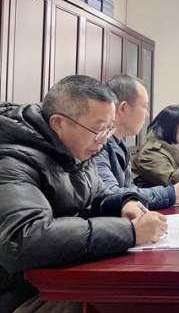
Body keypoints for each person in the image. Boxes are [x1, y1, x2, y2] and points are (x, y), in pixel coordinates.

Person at [0, 75, 167, 313]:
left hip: (60, 275)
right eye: (98, 130)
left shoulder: (77, 148)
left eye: (109, 129)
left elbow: (98, 195)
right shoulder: (12, 160)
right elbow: (24, 239)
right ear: (58, 122)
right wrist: (129, 231)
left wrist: (124, 203)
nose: (103, 141)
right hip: (24, 293)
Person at [96, 74, 179, 210]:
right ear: (123, 108)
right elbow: (111, 195)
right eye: (144, 107)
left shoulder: (121, 145)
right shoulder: (97, 146)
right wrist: (170, 194)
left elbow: (129, 190)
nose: (147, 114)